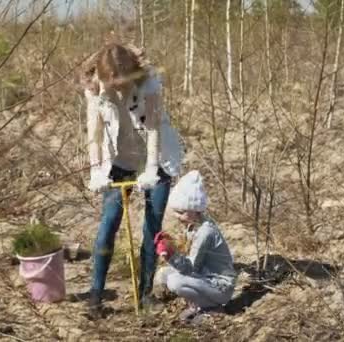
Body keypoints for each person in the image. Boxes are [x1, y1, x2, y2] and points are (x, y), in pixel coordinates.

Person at [80, 42, 184, 317]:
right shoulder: (94, 89)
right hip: (119, 159)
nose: (116, 88)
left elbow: (152, 129)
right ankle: (95, 296)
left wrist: (150, 169)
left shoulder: (149, 85)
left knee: (152, 225)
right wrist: (95, 171)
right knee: (109, 222)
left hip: (157, 157)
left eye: (120, 82)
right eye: (110, 82)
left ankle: (146, 293)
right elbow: (95, 133)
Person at [153, 170, 236, 322]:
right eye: (176, 212)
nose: (178, 216)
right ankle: (199, 304)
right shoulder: (195, 225)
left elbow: (190, 267)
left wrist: (170, 253)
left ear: (195, 209)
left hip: (220, 286)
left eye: (181, 212)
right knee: (164, 273)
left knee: (174, 282)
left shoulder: (205, 232)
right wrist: (170, 243)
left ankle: (211, 308)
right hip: (207, 277)